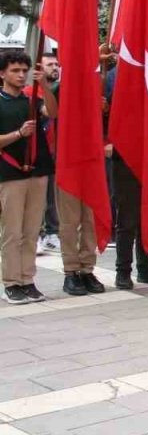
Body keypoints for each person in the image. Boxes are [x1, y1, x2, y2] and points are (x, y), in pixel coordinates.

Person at [0, 52, 57, 304]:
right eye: (15, 70)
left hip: (37, 170)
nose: (21, 75)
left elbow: (53, 112)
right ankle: (11, 282)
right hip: (10, 173)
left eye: (24, 70)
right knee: (12, 231)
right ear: (2, 73)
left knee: (31, 230)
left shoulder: (31, 98)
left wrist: (44, 85)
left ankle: (27, 279)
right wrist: (19, 134)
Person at [33, 52, 60, 254]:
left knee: (52, 196)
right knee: (38, 197)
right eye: (50, 64)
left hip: (56, 151)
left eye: (57, 64)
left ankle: (52, 233)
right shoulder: (30, 92)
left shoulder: (59, 90)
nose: (55, 67)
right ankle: (38, 234)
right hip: (37, 153)